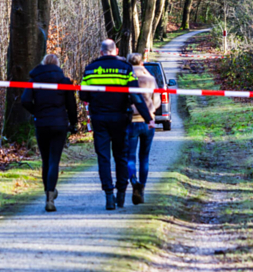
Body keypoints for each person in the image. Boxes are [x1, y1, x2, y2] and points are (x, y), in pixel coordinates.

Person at [80, 39, 154, 210]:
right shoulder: (125, 68)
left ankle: (108, 196)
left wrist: (96, 98)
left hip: (99, 119)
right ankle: (121, 195)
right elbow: (136, 96)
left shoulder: (90, 69)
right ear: (116, 50)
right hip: (120, 119)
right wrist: (147, 117)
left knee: (103, 157)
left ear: (101, 52)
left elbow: (83, 95)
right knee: (121, 156)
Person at [20, 54, 78, 212]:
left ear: (43, 63)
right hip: (59, 125)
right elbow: (71, 105)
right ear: (58, 65)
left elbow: (25, 100)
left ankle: (49, 194)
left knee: (45, 161)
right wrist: (74, 123)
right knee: (54, 161)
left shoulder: (34, 81)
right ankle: (50, 196)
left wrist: (36, 112)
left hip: (42, 124)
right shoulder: (64, 81)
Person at [125, 53, 159, 205]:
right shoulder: (150, 79)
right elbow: (157, 101)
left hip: (131, 121)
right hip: (148, 122)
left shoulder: (126, 78)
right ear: (142, 63)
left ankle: (134, 181)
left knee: (130, 156)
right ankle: (142, 187)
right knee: (144, 157)